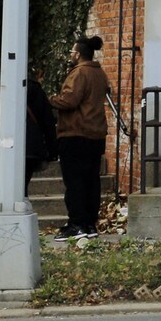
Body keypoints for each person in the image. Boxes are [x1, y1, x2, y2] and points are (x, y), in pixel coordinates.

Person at [49, 35, 110, 238]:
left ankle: (77, 224)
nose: (70, 55)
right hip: (96, 134)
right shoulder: (99, 73)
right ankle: (90, 224)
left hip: (75, 133)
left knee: (74, 182)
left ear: (77, 54)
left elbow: (69, 101)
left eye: (71, 52)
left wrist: (50, 100)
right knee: (91, 181)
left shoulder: (78, 73)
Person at [0, 72, 56, 206]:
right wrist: (52, 153)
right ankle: (20, 210)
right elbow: (48, 124)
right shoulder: (38, 94)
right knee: (20, 189)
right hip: (29, 151)